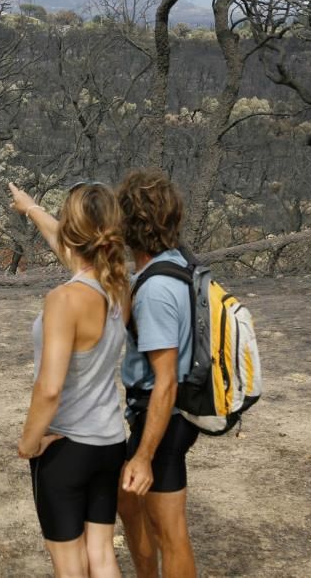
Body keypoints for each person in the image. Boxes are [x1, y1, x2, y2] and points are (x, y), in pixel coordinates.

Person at [9, 181, 131, 578]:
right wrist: (30, 209)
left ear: (71, 231)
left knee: (71, 567)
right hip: (110, 443)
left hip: (66, 448)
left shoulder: (64, 299)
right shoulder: (117, 287)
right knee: (102, 556)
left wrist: (29, 444)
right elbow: (66, 247)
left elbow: (49, 389)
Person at [115, 169, 198, 578]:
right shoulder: (176, 262)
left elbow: (165, 379)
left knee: (170, 532)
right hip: (162, 415)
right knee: (128, 503)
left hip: (163, 419)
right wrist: (32, 210)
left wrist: (145, 456)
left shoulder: (155, 291)